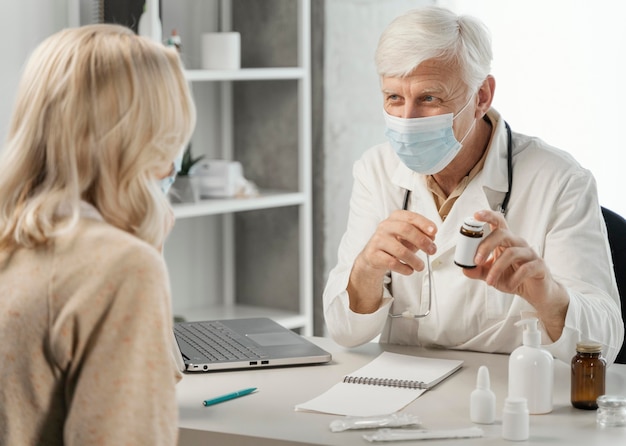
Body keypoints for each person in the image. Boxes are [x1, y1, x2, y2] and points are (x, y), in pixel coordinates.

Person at [323, 6, 624, 365]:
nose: (406, 121)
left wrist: (548, 295)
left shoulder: (559, 180)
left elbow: (606, 342)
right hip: (403, 392)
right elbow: (344, 331)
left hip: (515, 397)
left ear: (481, 97)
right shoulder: (376, 169)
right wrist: (367, 269)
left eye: (429, 98)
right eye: (394, 98)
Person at [0, 24, 196, 444]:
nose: (169, 170)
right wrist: (143, 255)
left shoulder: (15, 240)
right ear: (144, 145)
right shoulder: (118, 266)